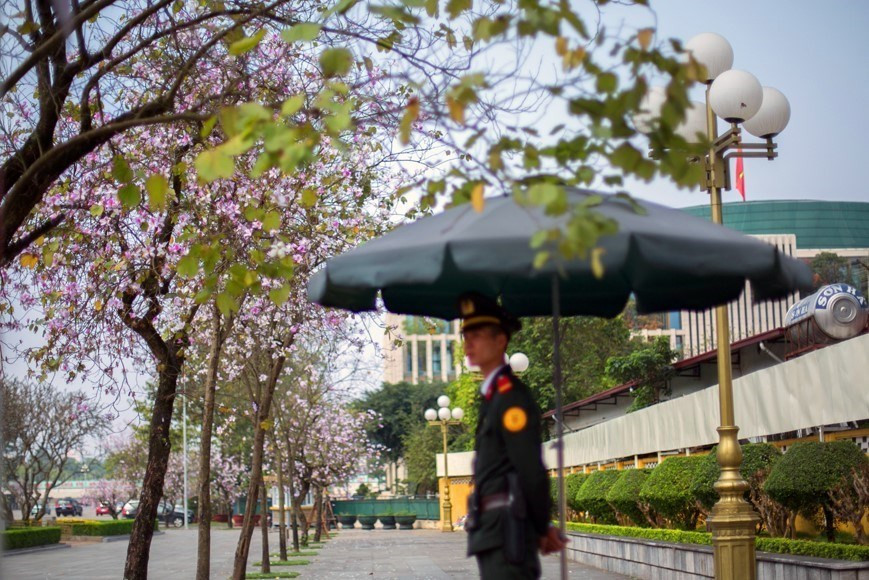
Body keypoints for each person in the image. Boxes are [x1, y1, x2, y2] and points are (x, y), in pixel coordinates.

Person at [459, 291, 567, 579]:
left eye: (477, 335)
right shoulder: (493, 396)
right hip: (493, 529)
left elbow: (530, 467)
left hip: (507, 530)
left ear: (500, 341)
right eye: (466, 336)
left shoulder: (510, 398)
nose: (468, 343)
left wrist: (542, 526)